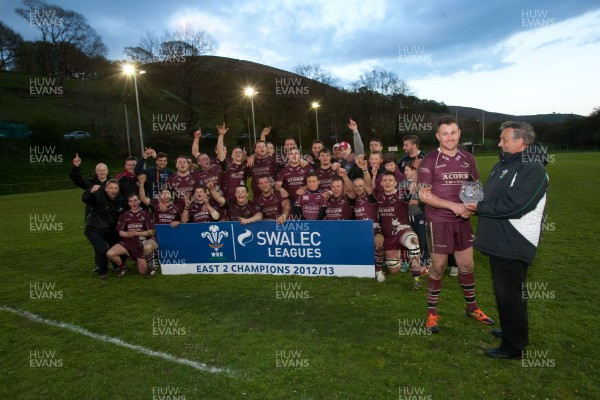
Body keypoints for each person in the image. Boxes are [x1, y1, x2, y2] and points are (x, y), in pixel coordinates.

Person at [464, 121, 549, 359]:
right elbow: (490, 195)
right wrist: (470, 199)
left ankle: (514, 346)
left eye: (504, 139)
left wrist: (478, 207)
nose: (500, 143)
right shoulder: (504, 164)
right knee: (505, 292)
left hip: (514, 241)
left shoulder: (533, 169)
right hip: (499, 240)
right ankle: (512, 331)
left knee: (511, 293)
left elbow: (517, 205)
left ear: (521, 142)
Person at [418, 115, 494, 333]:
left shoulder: (468, 158)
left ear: (459, 133)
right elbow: (423, 195)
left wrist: (471, 206)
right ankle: (432, 313)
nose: (449, 137)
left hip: (462, 220)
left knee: (467, 265)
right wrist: (453, 207)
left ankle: (472, 307)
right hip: (439, 221)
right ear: (437, 136)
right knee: (439, 267)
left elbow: (474, 187)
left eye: (453, 132)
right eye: (444, 133)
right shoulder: (430, 160)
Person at [377, 171, 427, 289]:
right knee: (394, 270)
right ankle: (403, 257)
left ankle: (416, 277)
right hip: (388, 236)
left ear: (395, 183)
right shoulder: (378, 198)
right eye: (385, 180)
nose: (387, 182)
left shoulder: (401, 195)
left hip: (402, 231)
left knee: (414, 242)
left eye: (390, 180)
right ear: (381, 183)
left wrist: (416, 173)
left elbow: (411, 190)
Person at [138, 175, 183, 277]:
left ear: (171, 196)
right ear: (159, 196)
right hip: (159, 237)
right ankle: (152, 267)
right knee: (147, 247)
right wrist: (141, 184)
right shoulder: (155, 204)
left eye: (167, 193)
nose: (165, 195)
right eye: (162, 193)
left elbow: (186, 220)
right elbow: (143, 198)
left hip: (174, 237)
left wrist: (178, 222)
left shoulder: (177, 206)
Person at [82, 179, 127, 279]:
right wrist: (90, 191)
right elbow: (86, 199)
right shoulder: (98, 195)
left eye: (115, 188)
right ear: (106, 189)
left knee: (121, 245)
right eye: (110, 188)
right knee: (102, 250)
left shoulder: (121, 200)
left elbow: (126, 212)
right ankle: (102, 271)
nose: (113, 190)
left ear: (118, 190)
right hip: (94, 228)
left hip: (109, 228)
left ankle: (117, 265)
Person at [353, 156, 386, 282]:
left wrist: (365, 170)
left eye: (360, 186)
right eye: (356, 186)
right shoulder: (352, 199)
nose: (358, 188)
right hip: (358, 229)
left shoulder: (371, 198)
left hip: (373, 227)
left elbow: (368, 184)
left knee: (378, 240)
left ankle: (378, 271)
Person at [107, 193, 155, 277]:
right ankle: (124, 267)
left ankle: (140, 258)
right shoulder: (124, 215)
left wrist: (136, 233)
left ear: (139, 201)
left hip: (141, 243)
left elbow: (150, 232)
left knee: (143, 272)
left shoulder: (146, 213)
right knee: (110, 253)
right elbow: (121, 233)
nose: (134, 203)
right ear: (128, 203)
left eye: (135, 200)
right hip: (128, 242)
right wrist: (129, 234)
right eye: (131, 201)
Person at [400, 161, 431, 277]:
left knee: (422, 239)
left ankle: (426, 263)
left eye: (408, 170)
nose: (405, 172)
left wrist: (416, 201)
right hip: (408, 216)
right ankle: (413, 262)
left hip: (419, 214)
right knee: (412, 240)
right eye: (405, 170)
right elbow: (402, 200)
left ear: (414, 171)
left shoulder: (423, 184)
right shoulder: (403, 183)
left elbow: (428, 200)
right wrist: (408, 202)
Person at [216, 123, 249, 201]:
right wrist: (221, 135)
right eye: (235, 152)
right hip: (228, 199)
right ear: (232, 156)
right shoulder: (227, 165)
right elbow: (220, 152)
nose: (238, 153)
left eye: (240, 152)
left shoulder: (246, 166)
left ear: (242, 155)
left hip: (242, 199)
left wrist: (252, 156)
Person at [275, 147, 313, 215]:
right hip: (292, 201)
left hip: (307, 200)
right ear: (288, 156)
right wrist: (281, 189)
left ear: (299, 155)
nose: (294, 155)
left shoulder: (307, 167)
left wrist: (304, 188)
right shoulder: (284, 170)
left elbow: (315, 183)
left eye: (296, 153)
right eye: (291, 154)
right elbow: (277, 186)